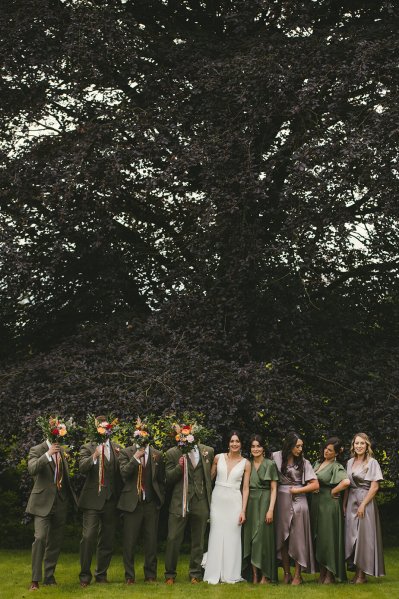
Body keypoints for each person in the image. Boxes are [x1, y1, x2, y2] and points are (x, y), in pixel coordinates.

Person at [26, 423, 76, 590]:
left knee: (55, 542)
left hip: (60, 502)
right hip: (42, 503)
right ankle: (35, 580)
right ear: (50, 434)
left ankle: (49, 577)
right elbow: (32, 469)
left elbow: (64, 477)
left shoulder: (62, 451)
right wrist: (48, 454)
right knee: (40, 538)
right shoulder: (37, 449)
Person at [77, 415, 122, 586]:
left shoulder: (117, 448)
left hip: (111, 500)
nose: (105, 430)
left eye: (106, 428)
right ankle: (84, 576)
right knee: (88, 537)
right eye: (102, 427)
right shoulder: (87, 447)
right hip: (92, 501)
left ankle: (101, 575)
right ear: (96, 429)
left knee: (107, 539)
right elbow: (82, 468)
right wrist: (95, 455)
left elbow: (121, 473)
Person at [164, 437, 214, 583]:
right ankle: (170, 575)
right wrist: (179, 467)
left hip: (200, 500)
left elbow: (209, 476)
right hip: (180, 502)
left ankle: (195, 574)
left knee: (198, 540)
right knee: (173, 538)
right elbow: (168, 478)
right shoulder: (172, 453)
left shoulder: (207, 451)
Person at [203, 430, 250, 584]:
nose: (234, 444)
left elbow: (245, 488)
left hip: (235, 502)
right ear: (228, 443)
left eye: (237, 441)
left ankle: (230, 573)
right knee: (216, 533)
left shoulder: (246, 463)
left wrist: (243, 510)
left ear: (241, 443)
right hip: (217, 500)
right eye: (232, 441)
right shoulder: (218, 458)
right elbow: (208, 478)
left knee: (232, 536)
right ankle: (214, 572)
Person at [272, 431, 319, 585]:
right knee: (282, 538)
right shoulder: (276, 457)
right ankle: (286, 573)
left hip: (299, 502)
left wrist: (298, 490)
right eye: (298, 446)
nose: (300, 449)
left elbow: (315, 484)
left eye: (301, 446)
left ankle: (298, 575)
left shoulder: (304, 463)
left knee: (298, 538)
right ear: (290, 445)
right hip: (281, 501)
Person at [117, 439, 165, 583]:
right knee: (129, 542)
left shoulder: (157, 454)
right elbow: (124, 473)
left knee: (151, 541)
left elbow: (161, 480)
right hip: (132, 504)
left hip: (150, 503)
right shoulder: (126, 452)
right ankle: (129, 576)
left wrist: (159, 499)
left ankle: (150, 575)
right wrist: (135, 457)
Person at [344, 432, 385, 583]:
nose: (359, 446)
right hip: (351, 502)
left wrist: (363, 504)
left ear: (367, 445)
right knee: (351, 538)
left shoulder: (372, 462)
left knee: (363, 538)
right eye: (357, 443)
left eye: (362, 443)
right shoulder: (349, 462)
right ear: (353, 445)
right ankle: (356, 573)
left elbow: (374, 487)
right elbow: (347, 485)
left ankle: (362, 575)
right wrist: (344, 504)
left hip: (365, 503)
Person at [310, 437, 350, 583]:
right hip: (316, 503)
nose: (326, 451)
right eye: (325, 448)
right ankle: (322, 572)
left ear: (337, 453)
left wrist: (333, 491)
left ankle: (330, 574)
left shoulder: (336, 466)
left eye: (330, 450)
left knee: (328, 538)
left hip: (329, 505)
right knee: (319, 538)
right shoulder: (317, 463)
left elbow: (346, 482)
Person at [242, 434, 279, 584]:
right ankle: (254, 575)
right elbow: (244, 487)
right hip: (251, 502)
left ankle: (266, 574)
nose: (255, 449)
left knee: (262, 540)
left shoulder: (270, 464)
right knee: (251, 540)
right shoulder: (247, 463)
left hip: (265, 501)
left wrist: (270, 509)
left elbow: (274, 488)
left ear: (263, 448)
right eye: (253, 446)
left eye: (258, 446)